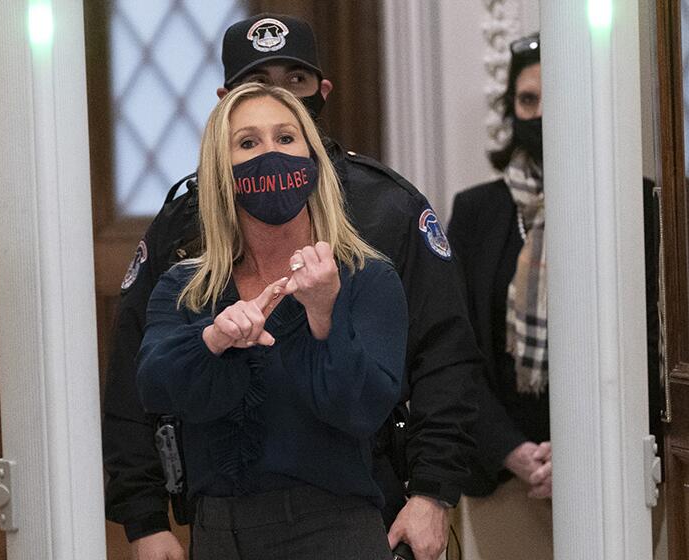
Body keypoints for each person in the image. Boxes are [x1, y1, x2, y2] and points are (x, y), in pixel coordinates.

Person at [103, 13, 481, 560]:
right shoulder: (186, 225)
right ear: (225, 101)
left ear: (321, 91)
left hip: (364, 498)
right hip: (221, 511)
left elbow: (445, 355)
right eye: (257, 86)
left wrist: (432, 491)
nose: (281, 100)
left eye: (296, 83)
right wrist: (142, 516)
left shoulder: (386, 208)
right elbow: (135, 376)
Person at [136, 82, 406, 559]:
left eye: (285, 138)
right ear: (223, 170)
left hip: (331, 531)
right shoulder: (187, 286)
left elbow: (362, 410)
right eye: (248, 143)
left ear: (313, 159)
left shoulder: (367, 277)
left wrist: (324, 314)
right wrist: (213, 339)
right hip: (218, 533)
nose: (270, 154)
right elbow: (154, 386)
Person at [448, 33, 661, 559]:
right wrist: (516, 453)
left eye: (554, 95)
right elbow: (453, 350)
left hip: (615, 476)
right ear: (511, 109)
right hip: (505, 478)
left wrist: (587, 454)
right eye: (527, 101)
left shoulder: (636, 203)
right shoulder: (477, 213)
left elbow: (654, 347)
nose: (541, 114)